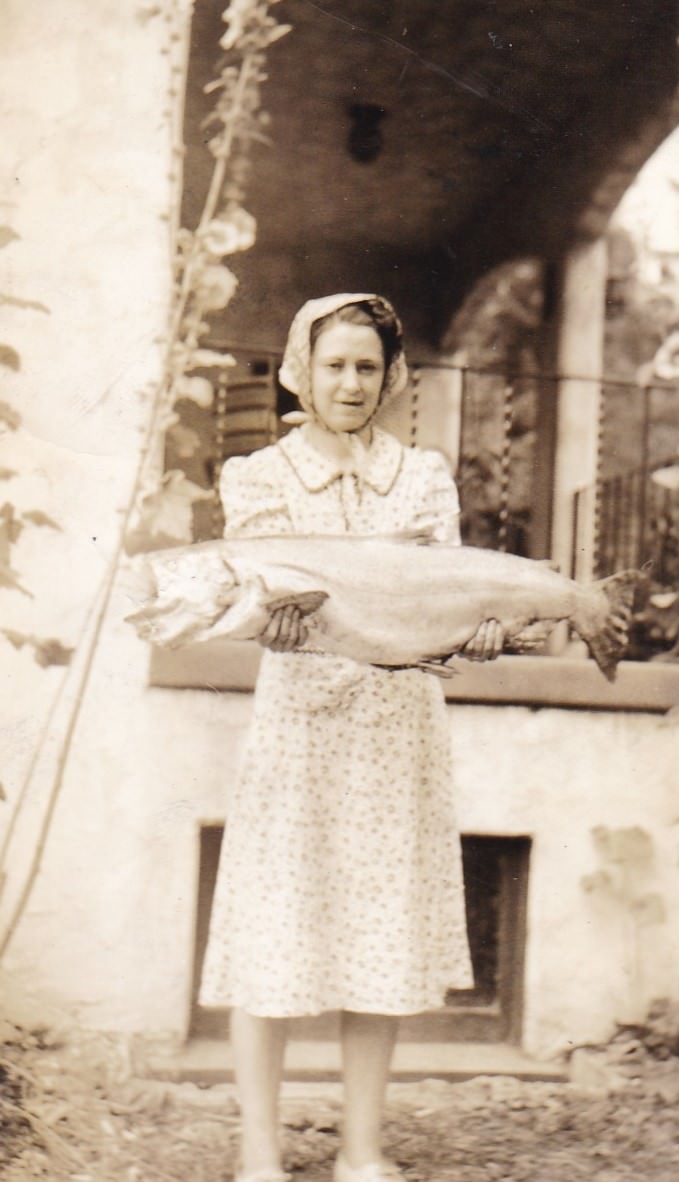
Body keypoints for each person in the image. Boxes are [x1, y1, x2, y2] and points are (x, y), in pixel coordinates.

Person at [198, 293, 504, 1182]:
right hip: (296, 734)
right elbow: (250, 600)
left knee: (382, 936)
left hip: (394, 736)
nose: (349, 382)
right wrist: (266, 619)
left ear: (391, 376)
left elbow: (443, 611)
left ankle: (361, 1149)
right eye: (333, 363)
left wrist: (473, 633)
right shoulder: (256, 477)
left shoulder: (422, 478)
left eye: (366, 366)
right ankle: (260, 1148)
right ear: (300, 369)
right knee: (274, 930)